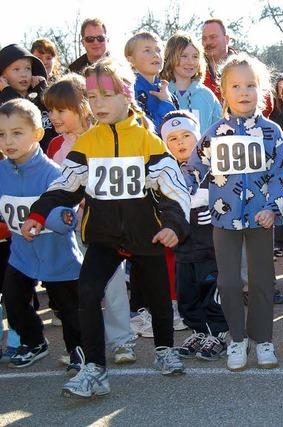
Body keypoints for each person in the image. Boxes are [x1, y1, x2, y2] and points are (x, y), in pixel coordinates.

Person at [22, 58, 191, 398]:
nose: (98, 103)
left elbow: (173, 189)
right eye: (93, 96)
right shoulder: (87, 143)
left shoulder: (148, 141)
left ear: (127, 96)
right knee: (87, 290)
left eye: (107, 95)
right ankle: (95, 369)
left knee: (159, 296)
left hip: (148, 234)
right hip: (103, 237)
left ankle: (164, 350)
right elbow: (65, 185)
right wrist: (39, 213)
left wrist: (174, 224)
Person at [192, 53, 283, 372]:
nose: (244, 91)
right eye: (236, 85)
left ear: (262, 91)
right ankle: (237, 339)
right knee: (229, 282)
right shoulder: (215, 133)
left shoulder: (272, 132)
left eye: (251, 85)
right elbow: (195, 166)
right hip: (223, 220)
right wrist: (173, 181)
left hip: (261, 219)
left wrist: (273, 207)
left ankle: (262, 339)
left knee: (262, 281)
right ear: (223, 91)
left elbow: (281, 173)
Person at [43, 74, 137, 365]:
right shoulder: (55, 147)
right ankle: (83, 344)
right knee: (81, 287)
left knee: (113, 283)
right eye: (50, 111)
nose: (54, 117)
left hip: (104, 227)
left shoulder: (102, 137)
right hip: (70, 230)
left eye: (61, 110)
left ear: (83, 106)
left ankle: (122, 341)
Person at [0, 99, 83, 372]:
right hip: (21, 255)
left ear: (37, 134)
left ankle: (79, 351)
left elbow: (67, 213)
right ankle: (35, 342)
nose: (8, 141)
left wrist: (58, 217)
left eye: (16, 133)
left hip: (57, 254)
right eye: (1, 134)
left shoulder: (53, 173)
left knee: (68, 308)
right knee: (12, 299)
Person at [160, 110, 229, 361]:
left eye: (187, 135)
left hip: (211, 247)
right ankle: (199, 330)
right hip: (183, 249)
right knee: (187, 294)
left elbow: (228, 198)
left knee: (212, 290)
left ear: (198, 138)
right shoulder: (166, 173)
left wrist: (215, 210)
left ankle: (218, 333)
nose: (181, 142)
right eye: (173, 138)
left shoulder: (214, 169)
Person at [161, 32, 222, 135]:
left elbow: (220, 131)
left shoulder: (207, 96)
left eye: (195, 56)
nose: (191, 62)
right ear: (170, 57)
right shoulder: (161, 92)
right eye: (184, 56)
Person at [0, 44, 55, 151]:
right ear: (3, 77)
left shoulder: (40, 94)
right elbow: (22, 116)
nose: (24, 74)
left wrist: (43, 91)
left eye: (28, 68)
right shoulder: (2, 102)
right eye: (16, 69)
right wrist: (8, 93)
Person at [125, 32, 177, 133]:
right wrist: (166, 103)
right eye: (147, 50)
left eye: (158, 50)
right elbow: (148, 131)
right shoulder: (131, 92)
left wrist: (168, 99)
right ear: (131, 61)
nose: (156, 55)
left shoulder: (165, 90)